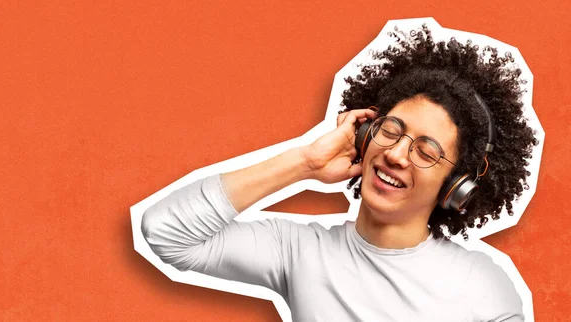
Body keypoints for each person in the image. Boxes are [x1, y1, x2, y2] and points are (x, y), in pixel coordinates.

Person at [141, 25, 538, 321]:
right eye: (391, 131)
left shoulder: (483, 287)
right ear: (365, 136)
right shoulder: (298, 251)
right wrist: (306, 163)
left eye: (425, 151)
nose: (397, 154)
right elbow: (166, 232)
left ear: (456, 187)